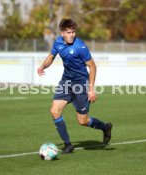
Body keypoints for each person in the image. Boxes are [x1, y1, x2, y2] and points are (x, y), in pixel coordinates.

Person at [37, 18, 112, 154]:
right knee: (54, 111)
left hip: (80, 84)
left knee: (82, 121)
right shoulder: (58, 42)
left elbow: (93, 67)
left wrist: (91, 89)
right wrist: (43, 66)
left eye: (73, 32)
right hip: (66, 82)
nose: (71, 35)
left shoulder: (80, 47)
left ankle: (105, 127)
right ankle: (68, 145)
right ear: (62, 33)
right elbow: (51, 57)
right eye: (68, 32)